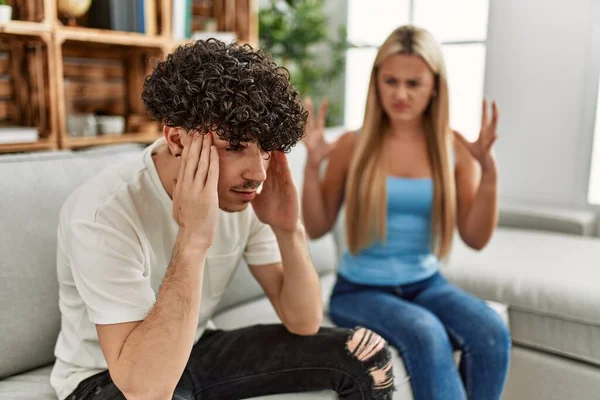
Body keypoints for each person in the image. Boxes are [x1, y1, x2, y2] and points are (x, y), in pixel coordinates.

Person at [50, 39, 395, 400]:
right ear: (177, 138)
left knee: (365, 353)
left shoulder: (243, 194)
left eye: (264, 149)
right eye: (234, 146)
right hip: (110, 377)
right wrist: (192, 241)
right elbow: (145, 388)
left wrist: (288, 229)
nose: (258, 173)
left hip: (196, 349)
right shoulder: (103, 213)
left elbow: (304, 321)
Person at [301, 25, 511, 400]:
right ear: (376, 82)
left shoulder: (454, 149)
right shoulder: (353, 145)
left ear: (434, 86)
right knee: (425, 331)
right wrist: (311, 167)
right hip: (358, 291)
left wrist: (489, 173)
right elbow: (316, 228)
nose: (400, 94)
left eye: (413, 83)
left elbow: (476, 239)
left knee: (491, 330)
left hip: (426, 284)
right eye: (390, 81)